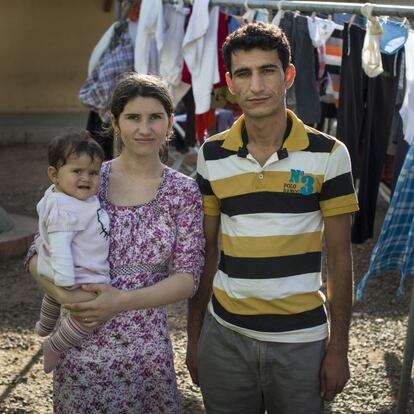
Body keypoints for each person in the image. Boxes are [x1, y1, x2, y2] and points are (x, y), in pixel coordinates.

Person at [186, 22, 359, 414]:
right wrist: (195, 335)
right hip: (225, 337)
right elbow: (206, 250)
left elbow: (339, 259)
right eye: (244, 74)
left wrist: (338, 349)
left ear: (289, 75)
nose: (257, 86)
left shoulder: (330, 154)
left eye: (268, 70)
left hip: (301, 342)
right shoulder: (211, 154)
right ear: (230, 83)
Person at [26, 72, 205, 413]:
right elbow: (38, 251)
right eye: (133, 117)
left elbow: (188, 278)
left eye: (155, 118)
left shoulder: (183, 192)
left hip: (146, 355)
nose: (144, 128)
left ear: (170, 123)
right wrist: (69, 297)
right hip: (82, 350)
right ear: (115, 122)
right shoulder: (87, 177)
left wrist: (119, 302)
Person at [34, 131, 110, 374]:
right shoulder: (64, 208)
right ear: (54, 174)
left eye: (93, 173)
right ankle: (55, 344)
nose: (86, 178)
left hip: (70, 265)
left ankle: (45, 323)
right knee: (91, 314)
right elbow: (60, 245)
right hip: (73, 270)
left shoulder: (61, 195)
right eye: (77, 171)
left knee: (52, 298)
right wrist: (66, 282)